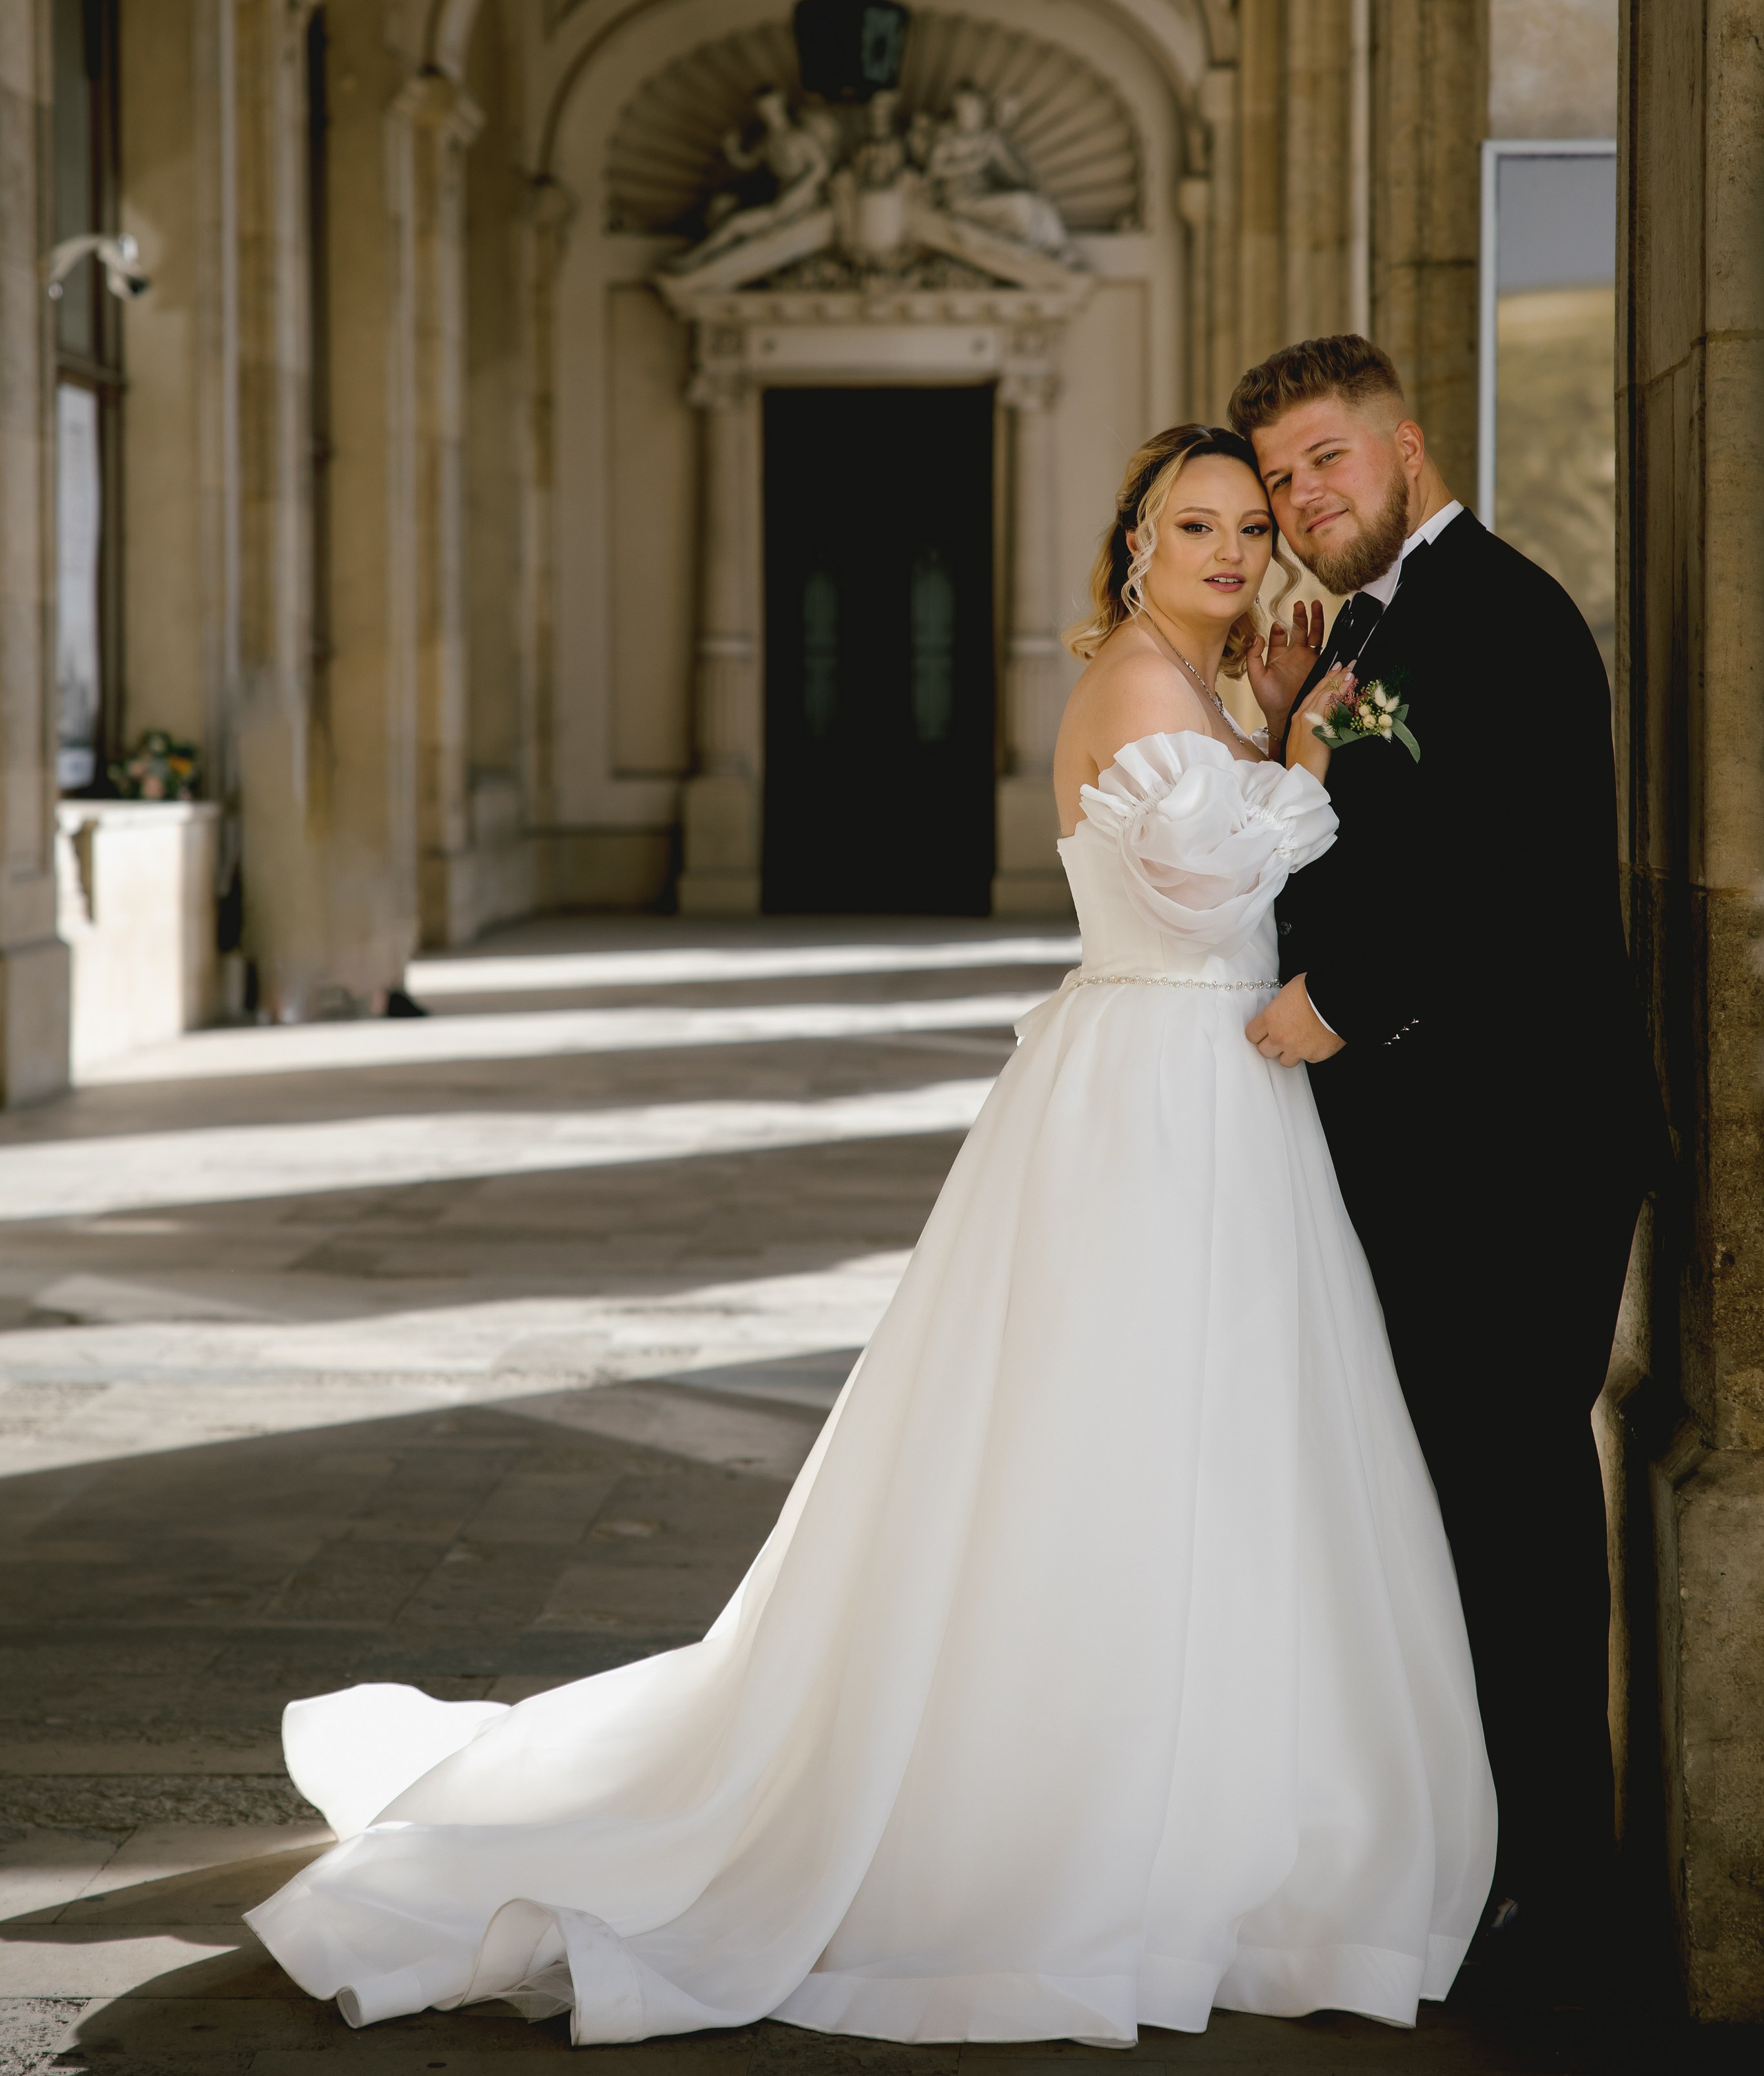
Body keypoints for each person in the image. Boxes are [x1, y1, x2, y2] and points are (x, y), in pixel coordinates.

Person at [246, 422, 1495, 2047]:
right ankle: (1086, 1809)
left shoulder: (1201, 689)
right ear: (1133, 544)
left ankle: (1227, 1789)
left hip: (1213, 1088)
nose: (1229, 553)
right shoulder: (1131, 680)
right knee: (1108, 1431)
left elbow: (1231, 854)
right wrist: (1306, 748)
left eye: (1248, 527)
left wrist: (1270, 720)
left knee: (1221, 1440)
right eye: (1194, 527)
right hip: (1152, 1081)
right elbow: (1204, 892)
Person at [1226, 334, 1672, 1969]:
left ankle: (1557, 1873)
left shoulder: (1500, 611)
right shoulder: (1363, 628)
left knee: (1512, 1491)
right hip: (1434, 1140)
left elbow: (1513, 862)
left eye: (1323, 461)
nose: (1299, 497)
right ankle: (1485, 1837)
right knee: (1455, 1496)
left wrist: (1337, 998)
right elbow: (1376, 835)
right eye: (1277, 479)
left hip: (1521, 1140)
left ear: (1404, 447)